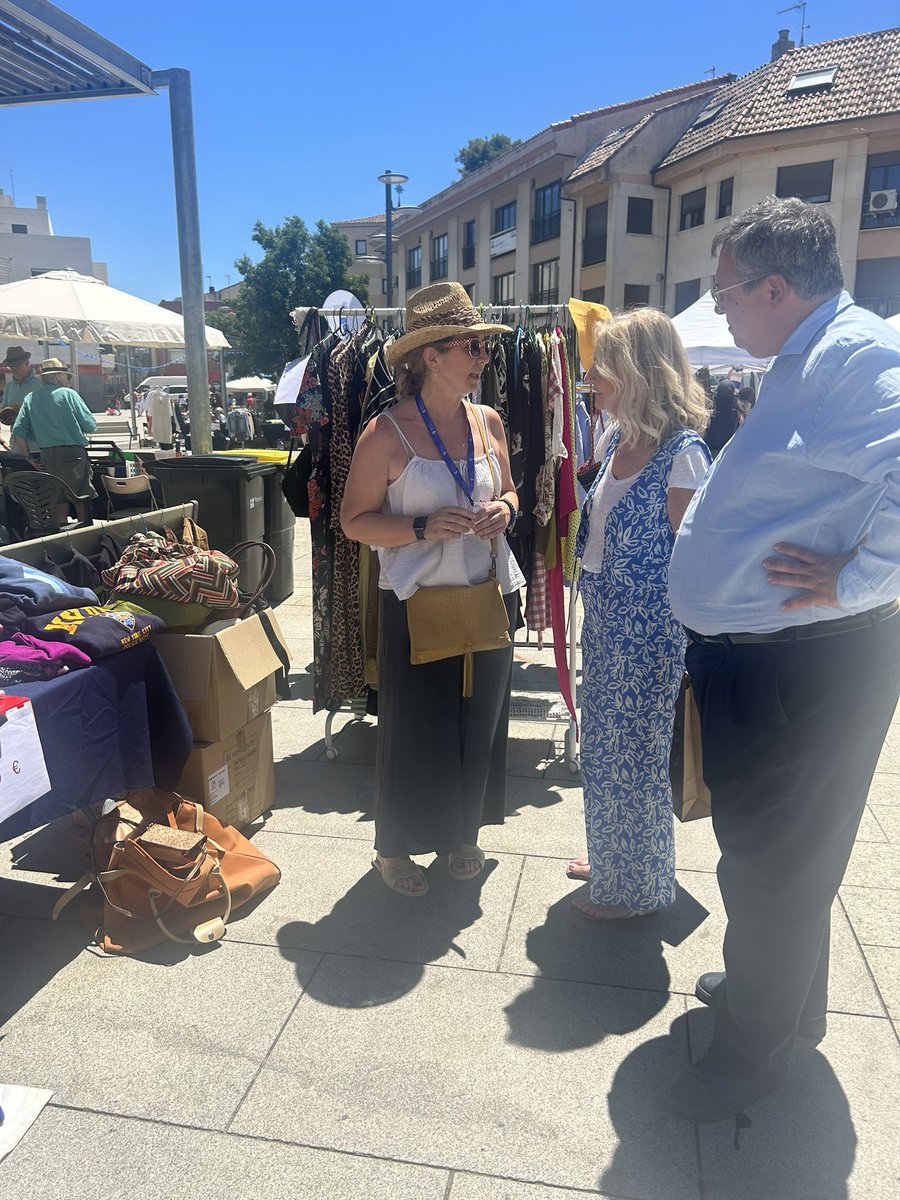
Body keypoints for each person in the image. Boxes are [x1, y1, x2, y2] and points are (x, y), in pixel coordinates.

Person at [666, 195, 900, 1122]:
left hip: (805, 663)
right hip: (778, 659)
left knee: (773, 867)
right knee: (784, 862)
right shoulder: (813, 357)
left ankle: (749, 1061)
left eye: (725, 290)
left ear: (774, 287)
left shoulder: (858, 354)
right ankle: (786, 1006)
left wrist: (855, 581)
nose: (718, 308)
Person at [341, 282, 524, 897]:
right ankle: (393, 848)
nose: (483, 357)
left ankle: (462, 834)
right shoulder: (385, 433)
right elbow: (354, 521)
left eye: (484, 347)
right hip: (416, 603)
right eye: (471, 346)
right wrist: (420, 527)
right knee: (414, 730)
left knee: (479, 721)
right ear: (431, 356)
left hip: (487, 594)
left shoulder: (488, 420)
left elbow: (512, 490)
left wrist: (504, 508)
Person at [567, 308, 711, 920]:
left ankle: (636, 891)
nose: (591, 379)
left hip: (648, 637)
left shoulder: (683, 455)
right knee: (603, 748)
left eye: (603, 367)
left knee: (637, 758)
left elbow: (698, 563)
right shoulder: (616, 439)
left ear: (639, 372)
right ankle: (613, 857)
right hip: (606, 624)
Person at [10, 357, 97, 523]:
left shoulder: (31, 398)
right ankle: (86, 532)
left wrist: (29, 458)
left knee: (57, 499)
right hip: (73, 454)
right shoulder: (69, 394)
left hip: (47, 456)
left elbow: (18, 432)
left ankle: (62, 533)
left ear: (43, 378)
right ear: (61, 376)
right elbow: (90, 426)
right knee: (81, 497)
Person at [703, 380, 741, 457]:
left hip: (710, 455)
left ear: (717, 397)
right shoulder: (737, 416)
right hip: (728, 455)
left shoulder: (708, 415)